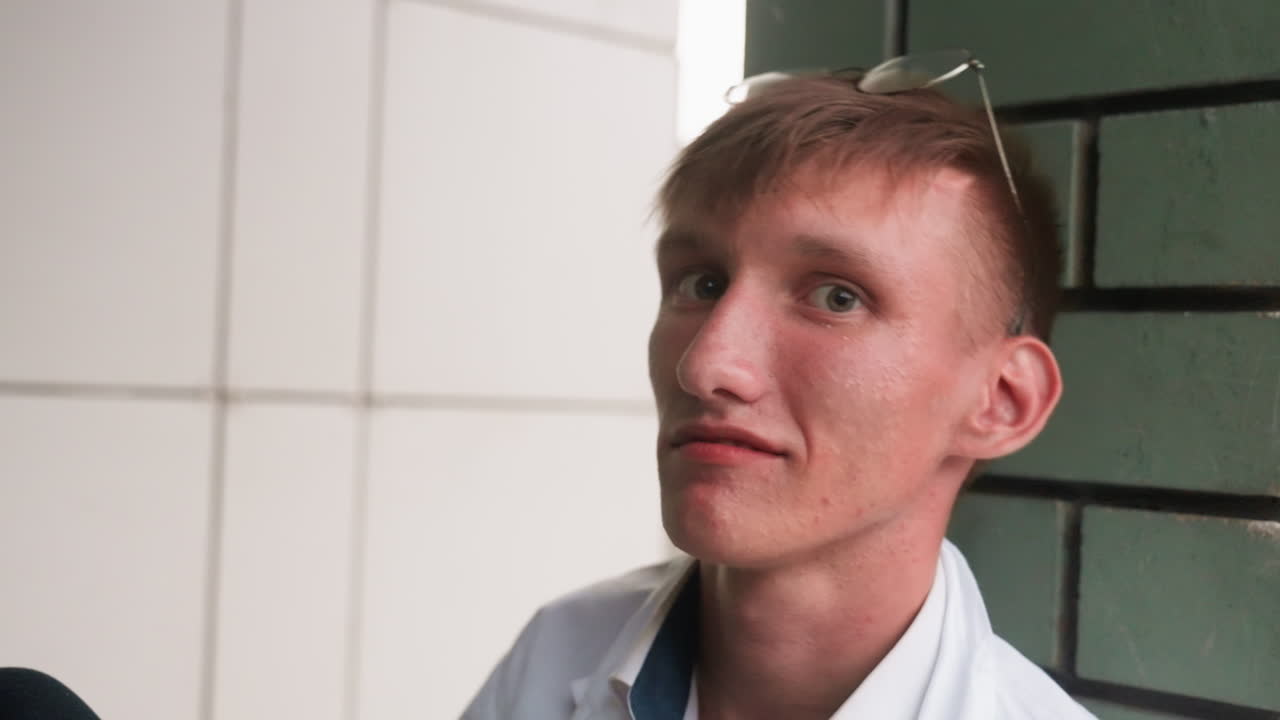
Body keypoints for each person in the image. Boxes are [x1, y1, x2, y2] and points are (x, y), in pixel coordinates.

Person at [464, 52, 1097, 720]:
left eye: (837, 296)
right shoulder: (557, 652)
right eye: (701, 283)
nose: (706, 365)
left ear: (1001, 402)